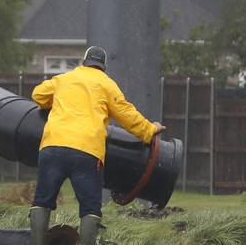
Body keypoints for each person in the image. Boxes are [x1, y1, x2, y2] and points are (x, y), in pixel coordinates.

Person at [28, 46, 165, 245]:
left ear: (83, 62)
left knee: (42, 199)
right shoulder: (107, 85)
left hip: (53, 146)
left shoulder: (63, 79)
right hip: (87, 152)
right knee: (90, 207)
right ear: (104, 67)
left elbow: (38, 95)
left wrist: (55, 101)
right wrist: (149, 130)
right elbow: (127, 115)